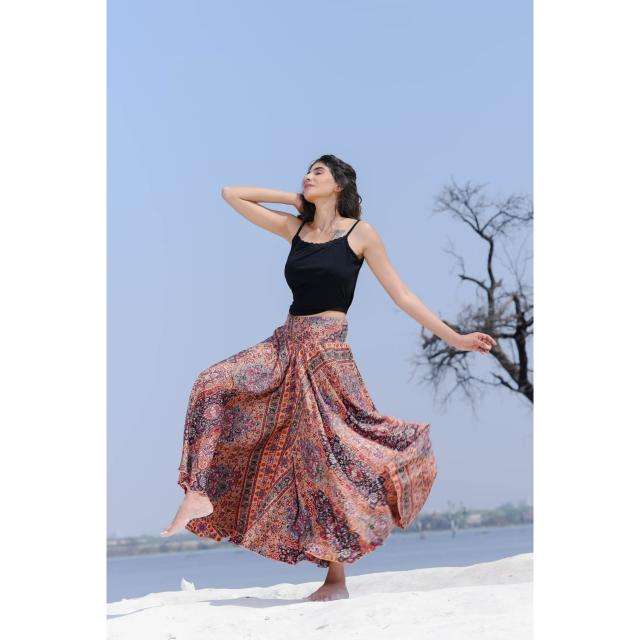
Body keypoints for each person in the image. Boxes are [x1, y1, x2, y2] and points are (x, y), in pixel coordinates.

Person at [160, 154, 496, 602]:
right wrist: (292, 199)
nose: (307, 176)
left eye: (318, 172)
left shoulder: (361, 234)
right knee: (211, 383)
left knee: (326, 458)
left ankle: (336, 580)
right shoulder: (294, 229)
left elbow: (402, 295)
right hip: (284, 346)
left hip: (327, 355)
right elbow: (230, 194)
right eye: (307, 171)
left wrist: (455, 337)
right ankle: (198, 492)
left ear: (338, 184)